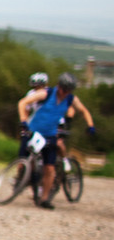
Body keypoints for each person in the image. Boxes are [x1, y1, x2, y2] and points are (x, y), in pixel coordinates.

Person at [17, 72, 96, 209]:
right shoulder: (46, 93)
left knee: (50, 167)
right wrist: (23, 120)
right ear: (58, 86)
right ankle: (23, 178)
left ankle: (45, 199)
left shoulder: (71, 99)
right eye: (63, 89)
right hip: (33, 131)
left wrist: (90, 125)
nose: (64, 93)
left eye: (68, 91)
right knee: (23, 159)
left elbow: (83, 111)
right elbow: (23, 103)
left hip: (50, 134)